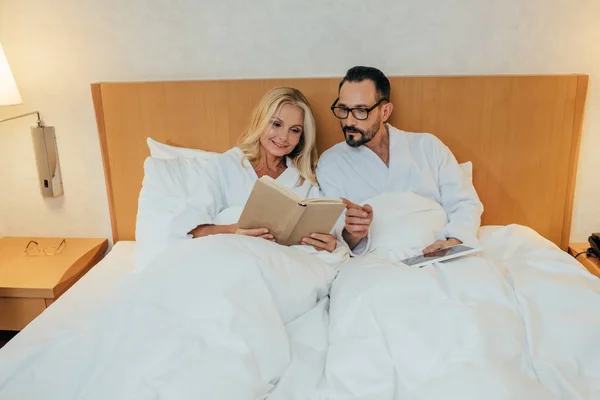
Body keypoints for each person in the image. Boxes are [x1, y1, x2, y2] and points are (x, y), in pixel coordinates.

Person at [316, 66, 484, 254]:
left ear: (385, 111)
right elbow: (336, 239)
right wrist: (354, 232)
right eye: (343, 109)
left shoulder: (427, 146)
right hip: (376, 260)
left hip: (439, 251)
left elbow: (464, 203)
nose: (349, 121)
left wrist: (454, 242)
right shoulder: (331, 163)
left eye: (361, 111)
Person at [183, 86, 356, 253]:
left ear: (302, 137)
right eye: (276, 124)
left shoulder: (304, 179)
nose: (283, 137)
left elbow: (325, 237)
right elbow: (191, 231)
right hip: (234, 255)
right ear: (261, 121)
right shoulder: (223, 166)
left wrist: (328, 243)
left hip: (284, 263)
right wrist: (234, 231)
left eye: (294, 130)